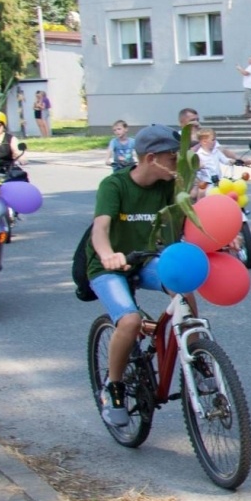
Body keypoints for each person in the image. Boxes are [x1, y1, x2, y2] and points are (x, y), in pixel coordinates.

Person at [88, 124, 186, 426]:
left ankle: (195, 357)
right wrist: (107, 254)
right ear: (151, 158)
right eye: (173, 158)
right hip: (108, 267)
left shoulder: (169, 186)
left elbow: (190, 218)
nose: (177, 165)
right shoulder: (114, 185)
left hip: (144, 262)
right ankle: (114, 386)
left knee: (182, 286)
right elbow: (100, 229)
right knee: (129, 321)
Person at [189, 127, 251, 200]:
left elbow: (225, 160)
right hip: (206, 182)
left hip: (218, 181)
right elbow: (196, 166)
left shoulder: (216, 152)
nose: (215, 141)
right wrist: (200, 165)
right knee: (201, 193)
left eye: (215, 139)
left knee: (230, 191)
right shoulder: (198, 154)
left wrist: (233, 161)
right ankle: (199, 209)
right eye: (213, 140)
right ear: (204, 142)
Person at [0, 114, 25, 180]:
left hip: (7, 172)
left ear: (3, 127)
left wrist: (20, 156)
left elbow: (17, 151)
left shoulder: (10, 139)